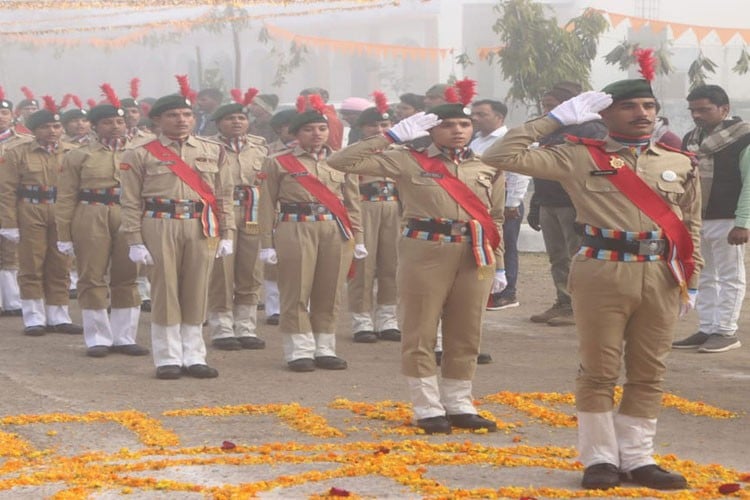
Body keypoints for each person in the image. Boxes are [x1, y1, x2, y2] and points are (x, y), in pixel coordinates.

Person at [481, 54, 702, 490]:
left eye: (648, 107)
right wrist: (553, 119)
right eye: (629, 107)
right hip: (602, 270)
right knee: (599, 369)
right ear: (603, 114)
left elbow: (689, 223)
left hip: (660, 272)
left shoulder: (676, 160)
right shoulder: (576, 156)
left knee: (649, 370)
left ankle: (638, 458)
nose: (642, 114)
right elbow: (500, 153)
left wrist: (691, 278)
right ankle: (600, 457)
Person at [328, 79, 505, 435]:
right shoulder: (409, 160)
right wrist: (392, 136)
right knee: (421, 330)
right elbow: (341, 161)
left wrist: (498, 262)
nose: (458, 130)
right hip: (425, 250)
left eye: (464, 124)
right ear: (431, 129)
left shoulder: (486, 165)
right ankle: (426, 406)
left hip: (474, 253)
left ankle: (459, 402)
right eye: (448, 125)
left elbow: (495, 216)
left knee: (466, 331)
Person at [119, 77, 235, 380]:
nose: (181, 120)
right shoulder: (140, 153)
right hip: (159, 224)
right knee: (165, 290)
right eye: (172, 115)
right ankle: (168, 357)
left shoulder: (214, 150)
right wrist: (134, 240)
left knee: (197, 290)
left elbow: (224, 195)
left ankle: (195, 356)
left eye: (186, 115)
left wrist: (228, 233)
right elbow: (130, 200)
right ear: (157, 119)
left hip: (201, 225)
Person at [258, 93, 362, 372]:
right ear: (296, 133)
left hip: (335, 229)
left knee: (329, 291)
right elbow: (267, 204)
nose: (316, 134)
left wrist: (359, 238)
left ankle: (324, 347)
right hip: (295, 226)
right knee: (297, 289)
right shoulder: (278, 161)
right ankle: (299, 349)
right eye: (308, 129)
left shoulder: (341, 161)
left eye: (322, 128)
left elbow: (352, 203)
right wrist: (266, 242)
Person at [55, 86, 148, 358]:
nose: (116, 126)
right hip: (91, 212)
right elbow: (66, 196)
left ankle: (124, 336)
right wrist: (64, 233)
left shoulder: (139, 151)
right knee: (91, 275)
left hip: (128, 213)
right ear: (94, 126)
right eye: (108, 122)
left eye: (120, 121)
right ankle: (98, 337)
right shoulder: (78, 154)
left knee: (128, 275)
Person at [672, 84, 750, 353]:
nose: (697, 115)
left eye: (704, 109)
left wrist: (743, 222)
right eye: (693, 110)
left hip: (729, 218)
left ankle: (726, 331)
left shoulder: (744, 137)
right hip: (696, 218)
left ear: (724, 109)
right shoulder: (690, 139)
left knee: (730, 276)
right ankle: (707, 328)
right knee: (702, 273)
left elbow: (749, 182)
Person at [526, 82, 607, 327]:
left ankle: (581, 306)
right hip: (549, 201)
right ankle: (563, 301)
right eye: (545, 107)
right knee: (557, 257)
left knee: (577, 255)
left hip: (574, 203)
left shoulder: (590, 128)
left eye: (551, 106)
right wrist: (536, 205)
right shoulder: (550, 131)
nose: (547, 112)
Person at [0, 98, 82, 336]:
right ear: (34, 130)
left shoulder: (73, 153)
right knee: (32, 264)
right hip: (30, 208)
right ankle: (34, 316)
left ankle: (59, 315)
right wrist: (8, 223)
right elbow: (6, 190)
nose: (52, 131)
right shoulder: (17, 153)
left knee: (60, 264)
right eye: (46, 127)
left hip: (62, 210)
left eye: (56, 127)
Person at [206, 89, 269, 351]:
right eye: (230, 118)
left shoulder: (259, 147)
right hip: (222, 211)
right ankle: (221, 327)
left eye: (241, 118)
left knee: (250, 270)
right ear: (219, 122)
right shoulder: (208, 148)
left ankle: (246, 327)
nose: (236, 122)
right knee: (221, 270)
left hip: (253, 211)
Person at [347, 93, 400, 344]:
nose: (379, 130)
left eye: (384, 125)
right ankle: (362, 319)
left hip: (394, 208)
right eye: (373, 126)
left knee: (392, 265)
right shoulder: (352, 154)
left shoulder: (401, 152)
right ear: (361, 128)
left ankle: (387, 317)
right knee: (363, 267)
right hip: (364, 207)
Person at [471, 99, 528, 311]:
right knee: (483, 245)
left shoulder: (508, 139)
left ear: (499, 117)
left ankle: (507, 292)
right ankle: (486, 289)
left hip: (504, 202)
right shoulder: (475, 140)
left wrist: (512, 203)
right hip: (479, 203)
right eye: (474, 114)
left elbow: (520, 172)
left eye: (481, 114)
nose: (475, 118)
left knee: (505, 246)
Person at [0, 87, 28, 317]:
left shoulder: (24, 142)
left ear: (12, 117)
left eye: (4, 113)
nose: (0, 116)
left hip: (13, 200)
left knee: (11, 252)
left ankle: (12, 300)